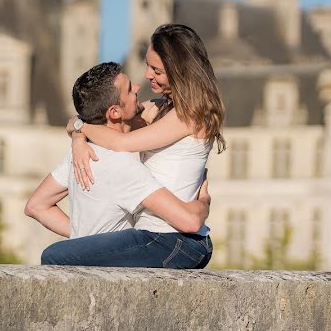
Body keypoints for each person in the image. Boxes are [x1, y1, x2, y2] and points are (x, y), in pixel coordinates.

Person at [56, 23, 226, 266]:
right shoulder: (160, 109)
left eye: (156, 70)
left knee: (56, 255)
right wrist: (78, 138)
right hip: (163, 235)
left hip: (171, 238)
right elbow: (95, 117)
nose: (147, 75)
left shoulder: (190, 115)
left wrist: (81, 130)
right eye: (148, 65)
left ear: (179, 72)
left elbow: (120, 142)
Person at [26, 61, 213, 268]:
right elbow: (188, 221)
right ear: (115, 112)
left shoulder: (80, 154)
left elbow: (35, 206)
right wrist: (204, 200)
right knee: (53, 254)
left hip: (92, 262)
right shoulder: (123, 164)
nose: (138, 88)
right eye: (130, 89)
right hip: (109, 266)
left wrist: (84, 236)